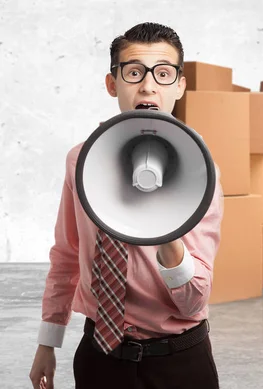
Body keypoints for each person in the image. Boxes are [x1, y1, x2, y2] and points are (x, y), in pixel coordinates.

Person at [28, 22, 224, 389]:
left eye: (163, 74)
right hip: (100, 355)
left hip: (179, 360)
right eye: (134, 72)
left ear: (180, 86)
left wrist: (168, 229)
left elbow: (193, 302)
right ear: (112, 83)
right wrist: (47, 340)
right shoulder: (80, 161)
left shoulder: (201, 171)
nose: (148, 85)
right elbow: (67, 255)